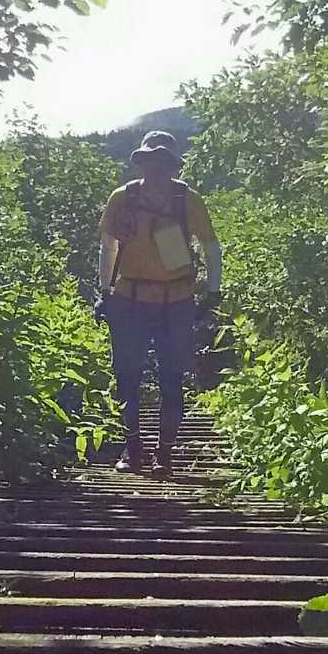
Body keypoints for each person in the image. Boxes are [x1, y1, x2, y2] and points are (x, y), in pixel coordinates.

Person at [94, 131, 222, 476]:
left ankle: (164, 454)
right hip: (129, 299)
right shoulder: (123, 198)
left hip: (175, 301)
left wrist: (213, 292)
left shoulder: (187, 200)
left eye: (163, 161)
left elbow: (211, 245)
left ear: (172, 165)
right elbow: (108, 246)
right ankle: (133, 447)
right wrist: (105, 291)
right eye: (151, 161)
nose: (156, 168)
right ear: (141, 163)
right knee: (127, 377)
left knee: (172, 378)